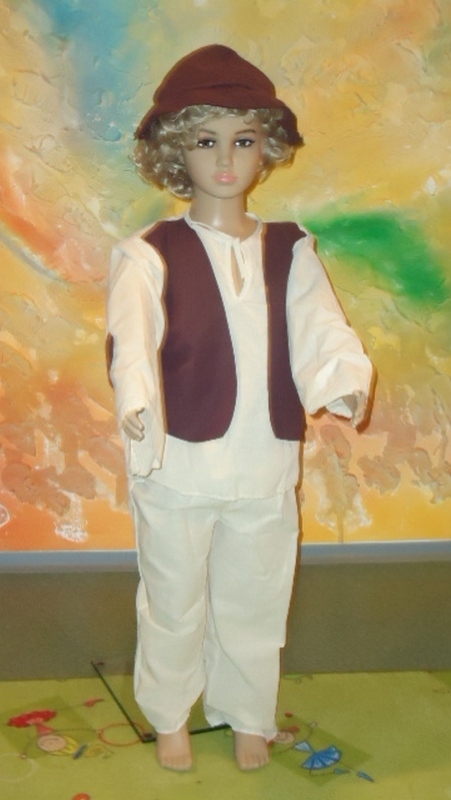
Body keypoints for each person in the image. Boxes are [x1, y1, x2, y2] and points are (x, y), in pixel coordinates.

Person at [106, 44, 373, 772]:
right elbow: (131, 340)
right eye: (205, 141)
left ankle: (248, 711)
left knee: (255, 598)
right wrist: (137, 401)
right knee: (172, 598)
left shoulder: (290, 250)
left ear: (266, 147)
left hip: (263, 462)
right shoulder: (148, 253)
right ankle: (169, 713)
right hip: (178, 463)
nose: (226, 160)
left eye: (244, 140)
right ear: (176, 149)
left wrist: (342, 379)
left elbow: (321, 328)